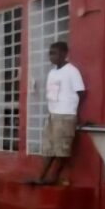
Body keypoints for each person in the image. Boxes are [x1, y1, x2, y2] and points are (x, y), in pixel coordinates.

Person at [35, 41, 85, 185]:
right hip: (53, 115)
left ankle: (53, 177)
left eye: (54, 53)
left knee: (62, 149)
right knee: (49, 148)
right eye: (50, 53)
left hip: (65, 116)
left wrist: (73, 110)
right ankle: (41, 177)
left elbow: (81, 92)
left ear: (64, 54)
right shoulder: (52, 73)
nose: (51, 56)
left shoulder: (71, 71)